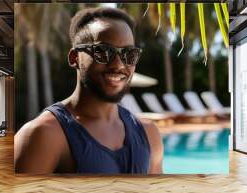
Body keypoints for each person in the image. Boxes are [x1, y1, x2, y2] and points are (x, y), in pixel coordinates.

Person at [14, 7, 163, 174]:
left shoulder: (149, 134)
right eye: (103, 51)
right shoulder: (44, 135)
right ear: (74, 58)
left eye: (129, 54)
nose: (119, 64)